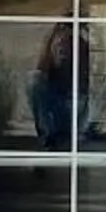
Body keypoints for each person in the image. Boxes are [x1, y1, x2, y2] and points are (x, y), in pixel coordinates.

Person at [27, 20, 90, 148]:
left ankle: (65, 135)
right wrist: (51, 44)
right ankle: (48, 136)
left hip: (72, 104)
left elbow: (82, 91)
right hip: (57, 106)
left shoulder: (80, 46)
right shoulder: (55, 43)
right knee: (34, 79)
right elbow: (41, 71)